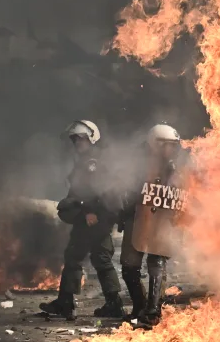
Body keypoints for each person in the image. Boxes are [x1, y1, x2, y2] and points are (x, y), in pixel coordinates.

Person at [40, 120, 125, 320]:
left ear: (92, 138)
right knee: (92, 257)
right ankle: (109, 304)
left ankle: (69, 303)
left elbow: (102, 191)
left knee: (83, 257)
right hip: (93, 218)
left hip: (94, 218)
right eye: (75, 140)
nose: (77, 143)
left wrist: (91, 212)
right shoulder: (88, 160)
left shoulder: (94, 163)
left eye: (81, 139)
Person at [119, 123, 189, 326]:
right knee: (129, 267)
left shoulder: (176, 171)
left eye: (173, 145)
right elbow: (127, 193)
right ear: (155, 145)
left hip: (161, 223)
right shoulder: (139, 168)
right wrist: (124, 214)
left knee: (157, 263)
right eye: (167, 145)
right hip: (138, 221)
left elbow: (182, 197)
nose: (171, 149)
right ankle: (139, 307)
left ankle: (153, 310)